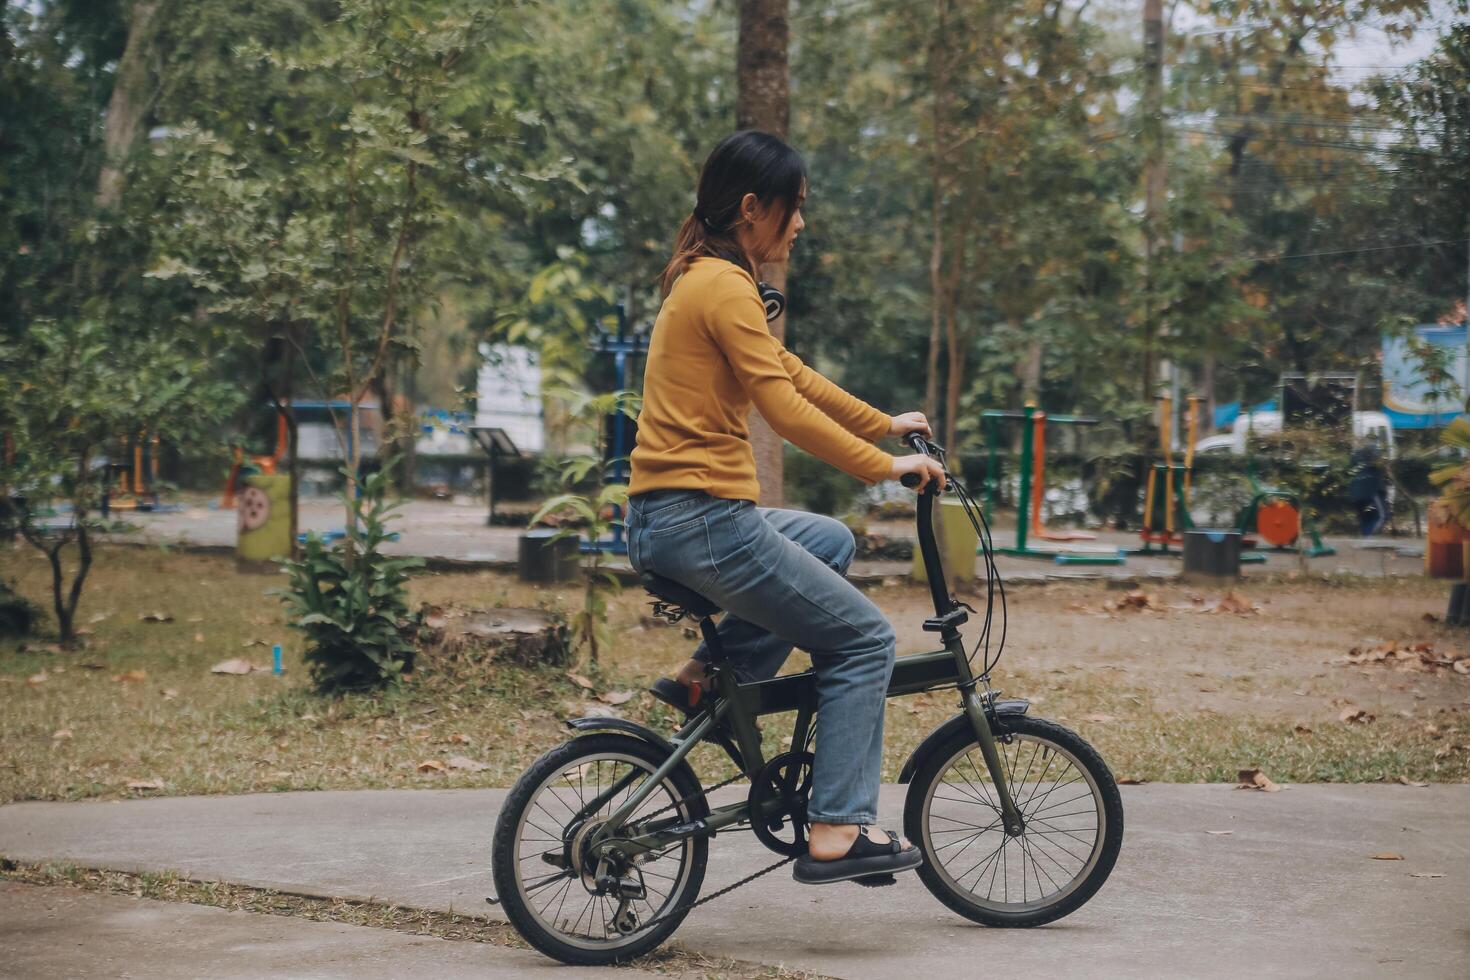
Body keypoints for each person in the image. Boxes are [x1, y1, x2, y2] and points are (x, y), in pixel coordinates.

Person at [623, 130, 946, 886]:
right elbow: (784, 411)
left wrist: (883, 422)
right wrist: (887, 469)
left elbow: (789, 373)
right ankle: (837, 828)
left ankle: (707, 674)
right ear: (750, 209)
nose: (800, 223)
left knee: (828, 539)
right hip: (703, 518)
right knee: (865, 641)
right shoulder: (723, 285)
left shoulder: (705, 277)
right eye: (793, 207)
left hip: (675, 516)